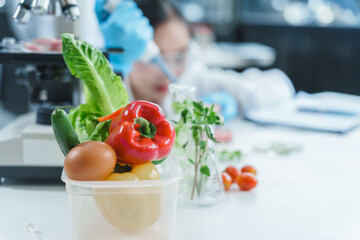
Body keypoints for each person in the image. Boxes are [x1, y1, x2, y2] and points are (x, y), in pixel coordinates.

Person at [95, 0, 295, 121]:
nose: (168, 72)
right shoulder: (101, 92)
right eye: (154, 59)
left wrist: (230, 102)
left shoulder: (190, 77)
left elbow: (280, 86)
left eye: (179, 56)